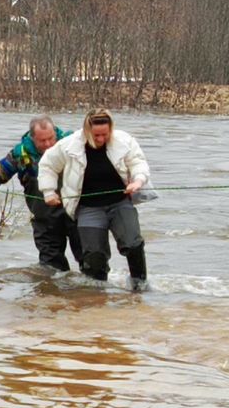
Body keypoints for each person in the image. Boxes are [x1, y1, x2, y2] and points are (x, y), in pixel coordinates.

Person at [38, 108, 150, 290]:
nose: (100, 139)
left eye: (104, 134)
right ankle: (96, 295)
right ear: (86, 130)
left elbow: (138, 162)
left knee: (132, 243)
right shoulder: (69, 145)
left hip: (119, 203)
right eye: (96, 135)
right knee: (94, 255)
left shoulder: (124, 141)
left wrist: (137, 181)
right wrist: (49, 192)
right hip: (88, 207)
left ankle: (140, 285)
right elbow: (47, 165)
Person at [0, 115, 82, 271]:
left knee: (90, 259)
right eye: (42, 141)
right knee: (51, 268)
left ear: (55, 132)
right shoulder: (21, 152)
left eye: (50, 138)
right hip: (45, 218)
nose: (48, 144)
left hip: (77, 214)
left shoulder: (73, 142)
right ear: (32, 138)